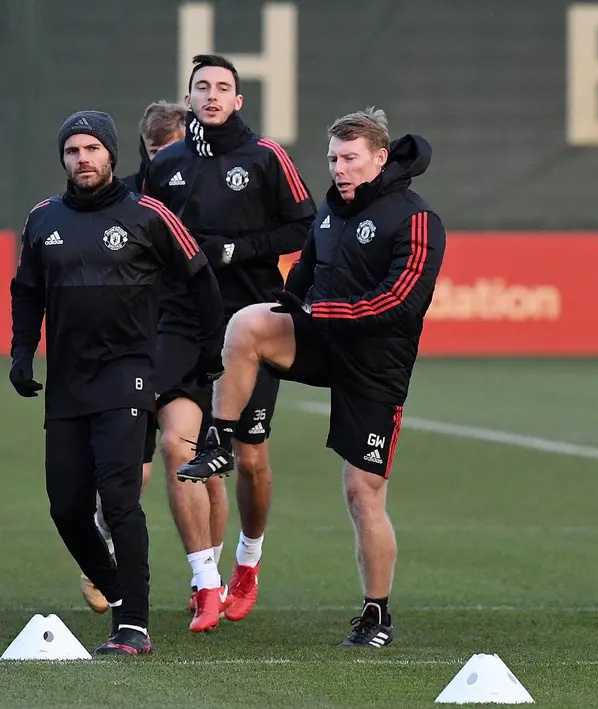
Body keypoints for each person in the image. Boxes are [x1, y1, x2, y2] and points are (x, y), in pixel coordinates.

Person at [177, 108, 445, 646]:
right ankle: (220, 439)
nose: (339, 169)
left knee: (362, 493)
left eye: (349, 159)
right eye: (333, 159)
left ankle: (375, 615)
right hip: (323, 340)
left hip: (375, 367)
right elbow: (298, 281)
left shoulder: (417, 219)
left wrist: (323, 314)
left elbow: (401, 302)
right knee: (248, 324)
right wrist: (290, 305)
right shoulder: (330, 210)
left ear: (379, 157)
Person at [10, 110, 224, 654]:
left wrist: (207, 349)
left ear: (111, 155)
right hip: (66, 382)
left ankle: (133, 623)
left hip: (127, 377)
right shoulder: (42, 219)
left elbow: (200, 278)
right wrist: (20, 353)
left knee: (120, 499)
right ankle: (117, 590)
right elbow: (27, 290)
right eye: (73, 151)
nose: (83, 159)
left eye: (92, 149)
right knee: (66, 508)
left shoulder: (148, 214)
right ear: (64, 158)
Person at [144, 54, 316, 632]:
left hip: (250, 327)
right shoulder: (165, 163)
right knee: (178, 447)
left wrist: (233, 251)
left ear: (239, 100)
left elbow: (304, 225)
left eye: (223, 88)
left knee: (248, 459)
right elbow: (143, 232)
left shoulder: (266, 158)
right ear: (188, 97)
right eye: (202, 87)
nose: (212, 95)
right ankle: (205, 582)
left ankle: (247, 561)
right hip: (181, 323)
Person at [77, 100, 192, 618]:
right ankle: (102, 544)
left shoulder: (202, 194)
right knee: (132, 471)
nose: (165, 160)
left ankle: (208, 580)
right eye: (155, 151)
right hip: (137, 343)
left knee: (184, 449)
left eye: (174, 149)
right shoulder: (127, 198)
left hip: (186, 337)